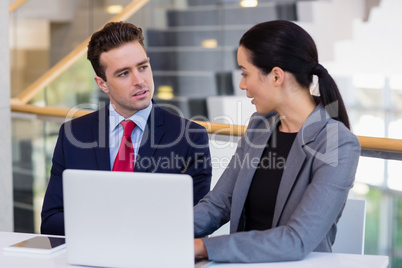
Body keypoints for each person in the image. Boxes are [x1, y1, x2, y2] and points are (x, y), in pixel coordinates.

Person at [193, 20, 361, 263]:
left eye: (245, 73)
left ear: (276, 76)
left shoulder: (337, 143)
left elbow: (296, 240)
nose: (242, 85)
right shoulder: (259, 126)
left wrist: (202, 247)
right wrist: (167, 231)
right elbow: (218, 204)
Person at [41, 21, 212, 235]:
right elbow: (51, 220)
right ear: (102, 84)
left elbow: (195, 224)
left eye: (143, 67)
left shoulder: (190, 138)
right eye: (124, 73)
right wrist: (114, 227)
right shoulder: (73, 135)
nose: (139, 81)